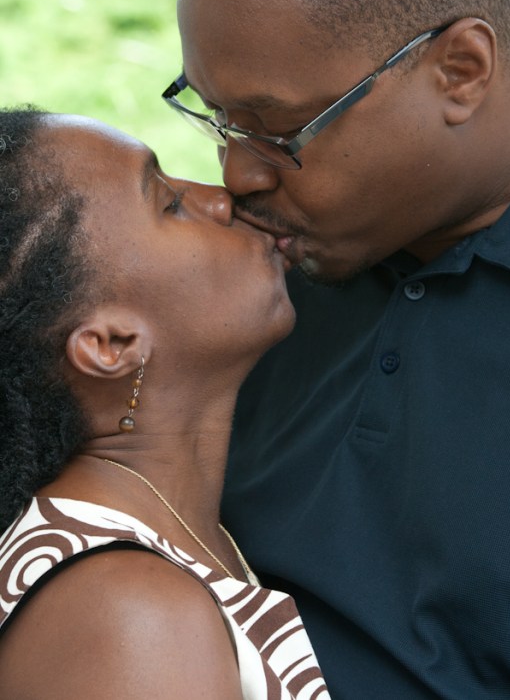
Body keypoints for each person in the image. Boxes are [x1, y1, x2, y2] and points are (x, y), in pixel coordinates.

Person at [161, 0, 510, 697]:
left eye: (279, 130)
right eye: (217, 119)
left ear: (461, 70)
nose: (237, 176)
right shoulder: (265, 261)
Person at [0, 106, 331, 700]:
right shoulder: (128, 611)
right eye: (170, 204)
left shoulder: (155, 546)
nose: (220, 199)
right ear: (111, 345)